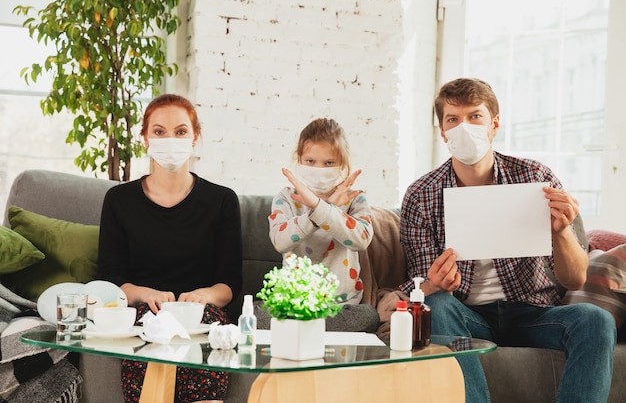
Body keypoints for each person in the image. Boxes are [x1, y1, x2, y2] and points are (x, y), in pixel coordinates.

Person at [399, 78, 616, 403]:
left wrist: (559, 231)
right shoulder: (420, 195)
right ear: (442, 133)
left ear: (494, 124)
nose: (463, 128)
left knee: (596, 319)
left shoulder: (536, 178)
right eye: (452, 120)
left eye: (475, 117)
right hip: (469, 316)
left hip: (535, 314)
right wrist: (433, 283)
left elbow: (576, 278)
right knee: (438, 305)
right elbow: (422, 287)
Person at [97, 94, 243, 403]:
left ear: (195, 137)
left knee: (206, 350)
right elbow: (110, 279)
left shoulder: (222, 201)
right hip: (143, 313)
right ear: (145, 138)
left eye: (180, 131)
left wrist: (205, 296)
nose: (170, 140)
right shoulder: (119, 201)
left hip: (205, 314)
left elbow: (230, 284)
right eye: (159, 131)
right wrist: (142, 293)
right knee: (149, 347)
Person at [261, 118, 379, 332]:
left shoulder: (355, 199)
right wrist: (322, 208)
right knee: (257, 314)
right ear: (299, 160)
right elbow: (280, 241)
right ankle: (309, 328)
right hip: (293, 307)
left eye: (329, 163)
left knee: (369, 317)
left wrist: (321, 207)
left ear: (343, 164)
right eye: (310, 161)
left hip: (343, 308)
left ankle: (309, 329)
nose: (319, 169)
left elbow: (361, 239)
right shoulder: (286, 198)